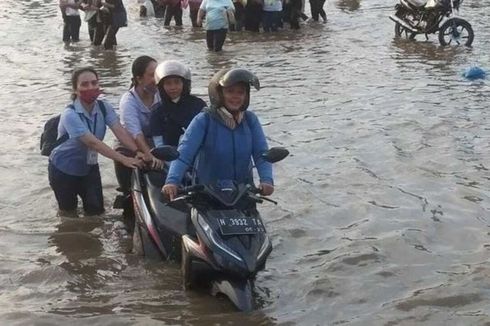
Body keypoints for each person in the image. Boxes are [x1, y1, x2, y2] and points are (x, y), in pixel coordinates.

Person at [162, 68, 274, 200]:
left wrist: (266, 180)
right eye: (230, 91)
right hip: (207, 195)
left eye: (241, 92)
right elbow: (184, 154)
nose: (236, 97)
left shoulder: (250, 120)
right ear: (218, 93)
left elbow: (262, 154)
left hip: (243, 194)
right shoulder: (204, 120)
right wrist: (172, 181)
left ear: (246, 96)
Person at [48, 67, 143, 217]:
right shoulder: (70, 114)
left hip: (89, 168)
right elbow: (93, 143)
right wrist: (124, 159)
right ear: (75, 89)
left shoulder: (104, 107)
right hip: (63, 171)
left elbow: (119, 131)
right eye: (84, 84)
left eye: (94, 83)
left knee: (97, 213)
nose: (90, 87)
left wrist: (138, 152)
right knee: (69, 214)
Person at [114, 56, 163, 195]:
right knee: (128, 192)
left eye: (158, 74)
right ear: (139, 78)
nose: (157, 79)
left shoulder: (160, 93)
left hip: (155, 142)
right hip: (130, 146)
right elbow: (136, 133)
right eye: (152, 75)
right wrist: (150, 155)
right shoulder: (128, 101)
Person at [149, 60, 207, 148]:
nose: (173, 87)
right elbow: (159, 144)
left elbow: (208, 134)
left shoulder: (198, 105)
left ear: (184, 84)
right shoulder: (157, 111)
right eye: (168, 83)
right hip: (170, 156)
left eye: (177, 82)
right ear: (161, 86)